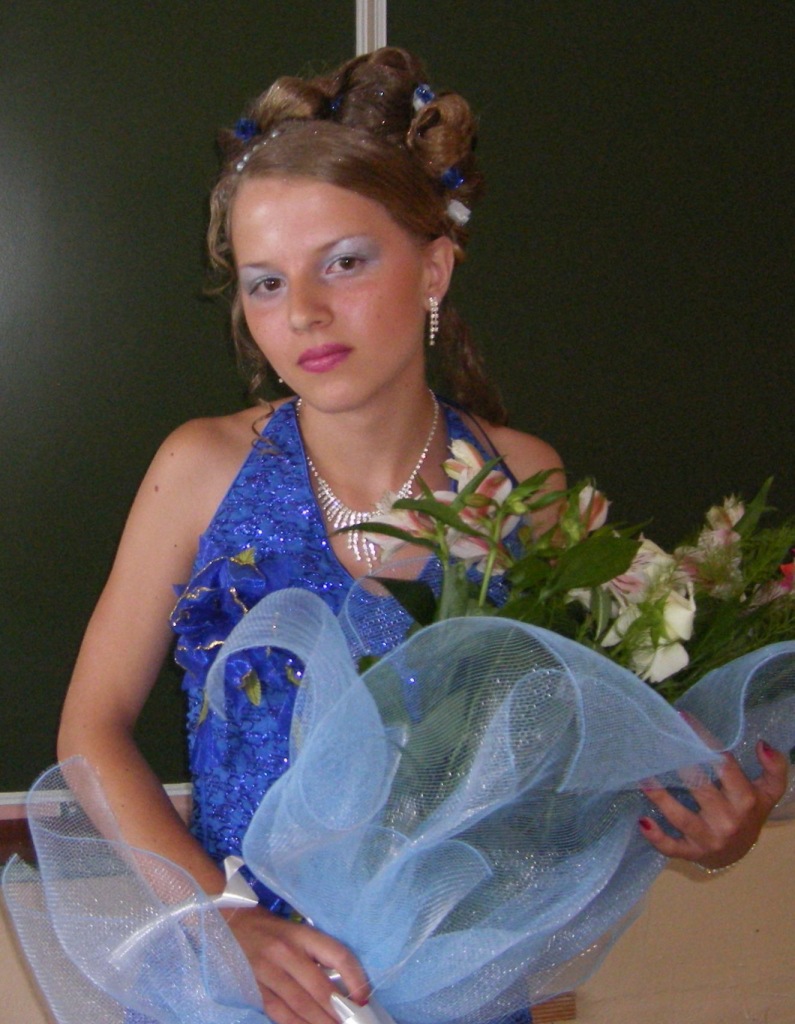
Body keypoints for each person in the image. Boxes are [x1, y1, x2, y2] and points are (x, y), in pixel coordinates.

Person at [56, 47, 788, 1024]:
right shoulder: (201, 469)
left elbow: (584, 765)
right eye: (266, 283)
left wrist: (711, 822)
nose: (304, 311)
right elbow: (92, 728)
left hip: (456, 995)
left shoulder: (525, 484)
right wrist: (222, 918)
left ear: (433, 266)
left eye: (344, 263)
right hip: (241, 989)